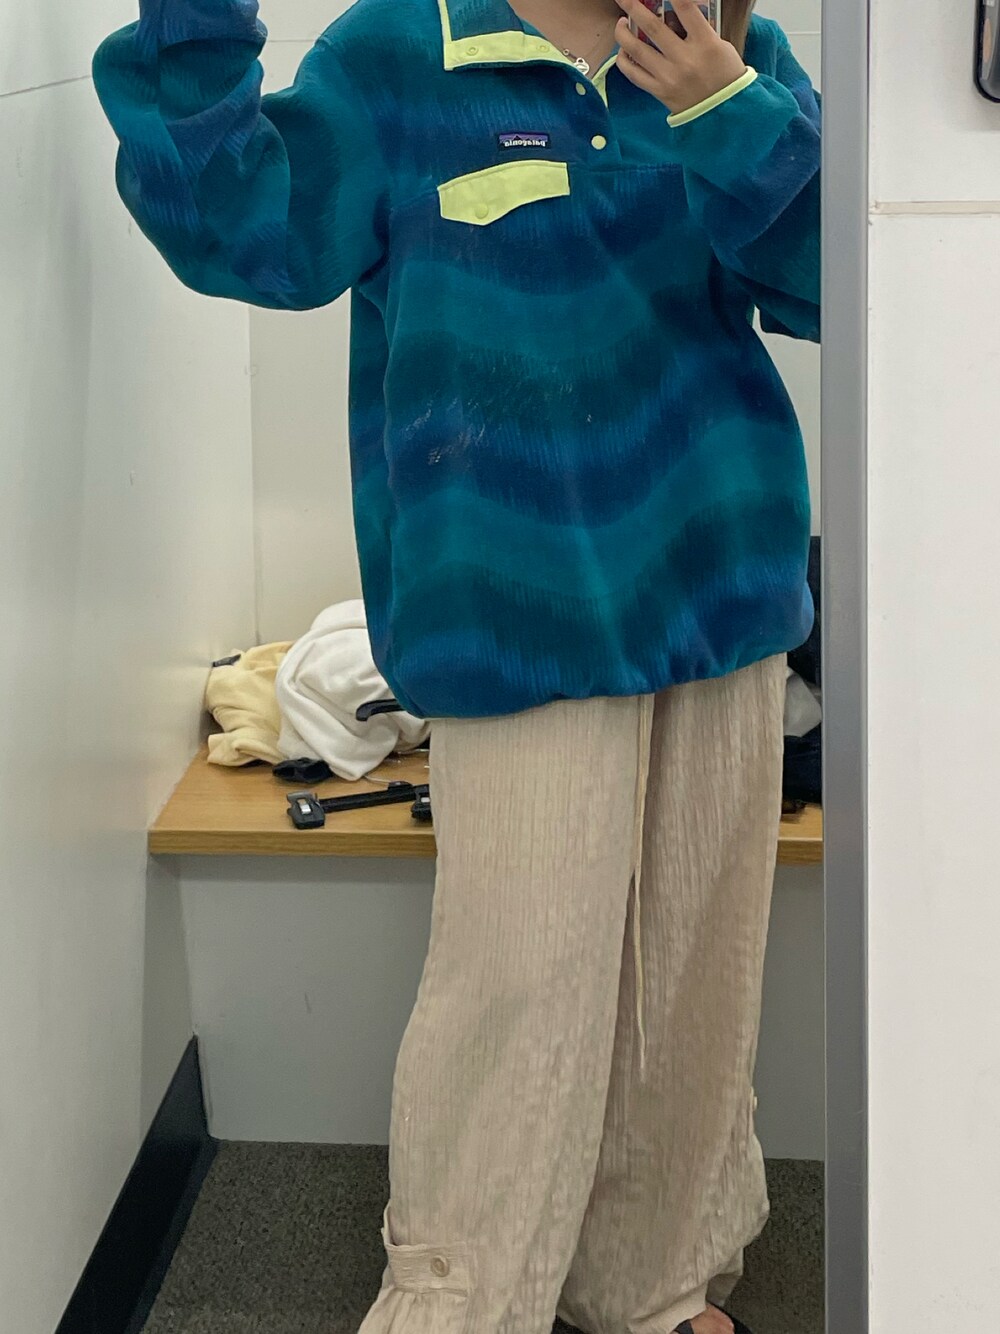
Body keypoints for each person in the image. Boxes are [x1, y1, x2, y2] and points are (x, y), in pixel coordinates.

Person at [93, 0, 820, 1330]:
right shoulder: (396, 53)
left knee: (694, 979)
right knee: (517, 992)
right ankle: (460, 1302)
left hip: (721, 589)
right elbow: (241, 228)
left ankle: (654, 1283)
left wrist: (727, 108)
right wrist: (193, 24)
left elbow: (842, 286)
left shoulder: (732, 48)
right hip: (513, 620)